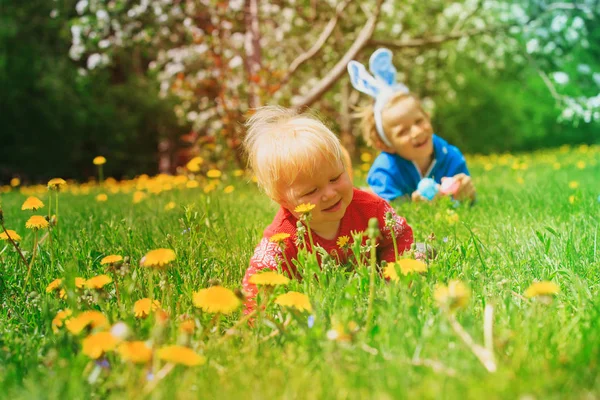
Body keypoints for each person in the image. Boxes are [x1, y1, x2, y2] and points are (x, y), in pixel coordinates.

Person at [242, 106, 414, 312]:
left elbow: (400, 236)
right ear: (281, 199)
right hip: (318, 308)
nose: (330, 193)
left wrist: (390, 279)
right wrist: (257, 320)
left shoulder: (371, 207)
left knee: (418, 255)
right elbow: (258, 281)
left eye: (335, 178)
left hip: (371, 291)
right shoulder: (282, 238)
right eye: (311, 191)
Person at [348, 48, 475, 202]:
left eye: (419, 121)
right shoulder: (385, 171)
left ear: (427, 117)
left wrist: (466, 193)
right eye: (402, 132)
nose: (416, 132)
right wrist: (413, 205)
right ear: (386, 145)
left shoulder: (450, 156)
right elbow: (386, 213)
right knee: (366, 197)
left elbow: (467, 203)